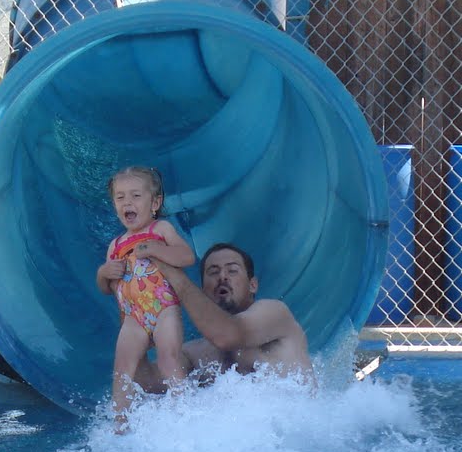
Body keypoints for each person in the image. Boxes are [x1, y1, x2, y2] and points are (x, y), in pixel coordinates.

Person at [94, 166, 196, 422]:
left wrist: (155, 249)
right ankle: (120, 424)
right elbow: (106, 288)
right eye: (120, 197)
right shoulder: (115, 245)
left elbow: (186, 257)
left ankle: (185, 415)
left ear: (155, 203)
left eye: (136, 195)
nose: (127, 202)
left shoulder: (160, 229)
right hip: (133, 317)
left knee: (168, 358)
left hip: (164, 308)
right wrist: (104, 273)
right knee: (122, 367)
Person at [141, 241, 314, 386]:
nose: (222, 276)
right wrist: (138, 334)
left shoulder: (275, 313)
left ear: (253, 285)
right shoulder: (195, 353)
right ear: (202, 291)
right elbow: (146, 384)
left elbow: (228, 335)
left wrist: (173, 274)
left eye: (232, 270)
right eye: (213, 272)